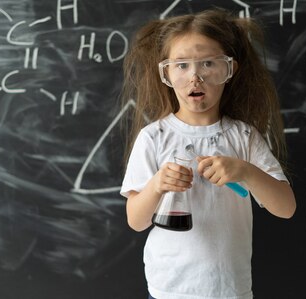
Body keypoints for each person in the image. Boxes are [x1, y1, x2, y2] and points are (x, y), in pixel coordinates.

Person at [119, 8, 296, 299]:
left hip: (231, 290)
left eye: (208, 64)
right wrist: (157, 185)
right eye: (182, 66)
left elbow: (286, 208)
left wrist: (245, 172)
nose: (195, 77)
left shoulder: (243, 136)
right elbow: (136, 221)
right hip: (169, 290)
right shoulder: (154, 137)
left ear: (229, 70)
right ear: (166, 73)